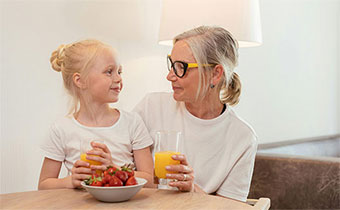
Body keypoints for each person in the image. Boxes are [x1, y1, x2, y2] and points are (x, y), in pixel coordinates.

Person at [134, 26, 257, 202]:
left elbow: (229, 207)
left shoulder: (242, 138)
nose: (170, 76)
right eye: (171, 64)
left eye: (180, 67)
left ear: (215, 74)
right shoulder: (151, 107)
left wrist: (192, 188)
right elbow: (121, 167)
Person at [39, 39, 154, 189]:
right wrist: (70, 181)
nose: (119, 78)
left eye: (119, 71)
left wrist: (113, 169)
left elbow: (150, 181)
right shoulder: (61, 129)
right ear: (80, 81)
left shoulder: (132, 123)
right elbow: (43, 185)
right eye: (109, 71)